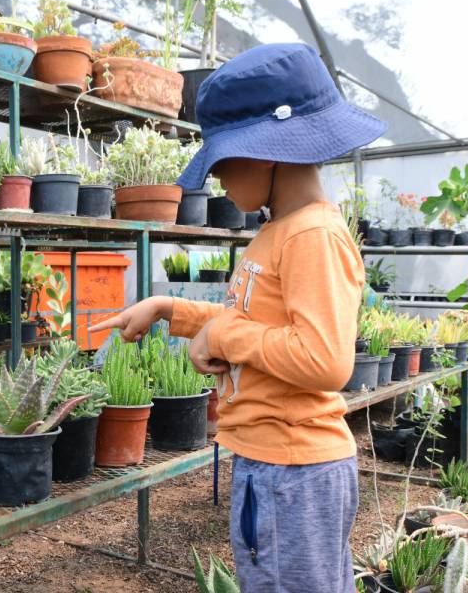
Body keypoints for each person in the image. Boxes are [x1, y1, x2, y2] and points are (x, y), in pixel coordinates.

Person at [91, 44, 385, 592]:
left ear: (267, 152)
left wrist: (223, 333)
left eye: (224, 163)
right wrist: (170, 310)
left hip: (294, 471)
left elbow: (325, 361)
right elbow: (253, 318)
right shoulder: (281, 230)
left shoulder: (313, 236)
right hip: (274, 465)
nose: (220, 181)